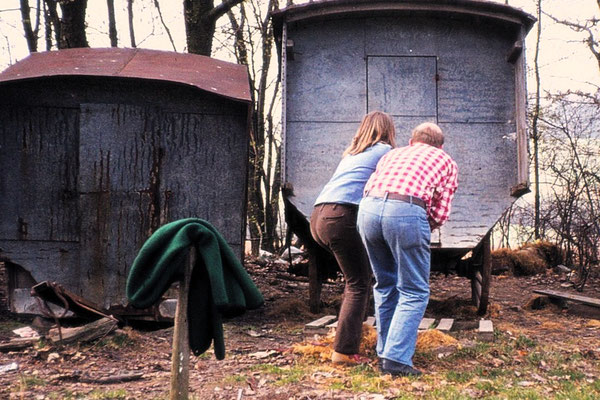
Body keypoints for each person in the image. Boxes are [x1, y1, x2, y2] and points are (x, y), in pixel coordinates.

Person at [357, 122, 458, 376]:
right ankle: (397, 359)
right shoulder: (445, 160)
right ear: (440, 145)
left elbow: (371, 185)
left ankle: (385, 352)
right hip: (405, 211)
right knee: (414, 290)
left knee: (385, 284)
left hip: (367, 210)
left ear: (412, 141)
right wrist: (422, 229)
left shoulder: (392, 154)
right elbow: (440, 211)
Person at [310, 111, 397, 365]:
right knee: (359, 283)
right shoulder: (384, 151)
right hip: (341, 215)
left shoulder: (353, 153)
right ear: (387, 131)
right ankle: (344, 351)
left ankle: (347, 340)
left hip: (318, 216)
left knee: (354, 280)